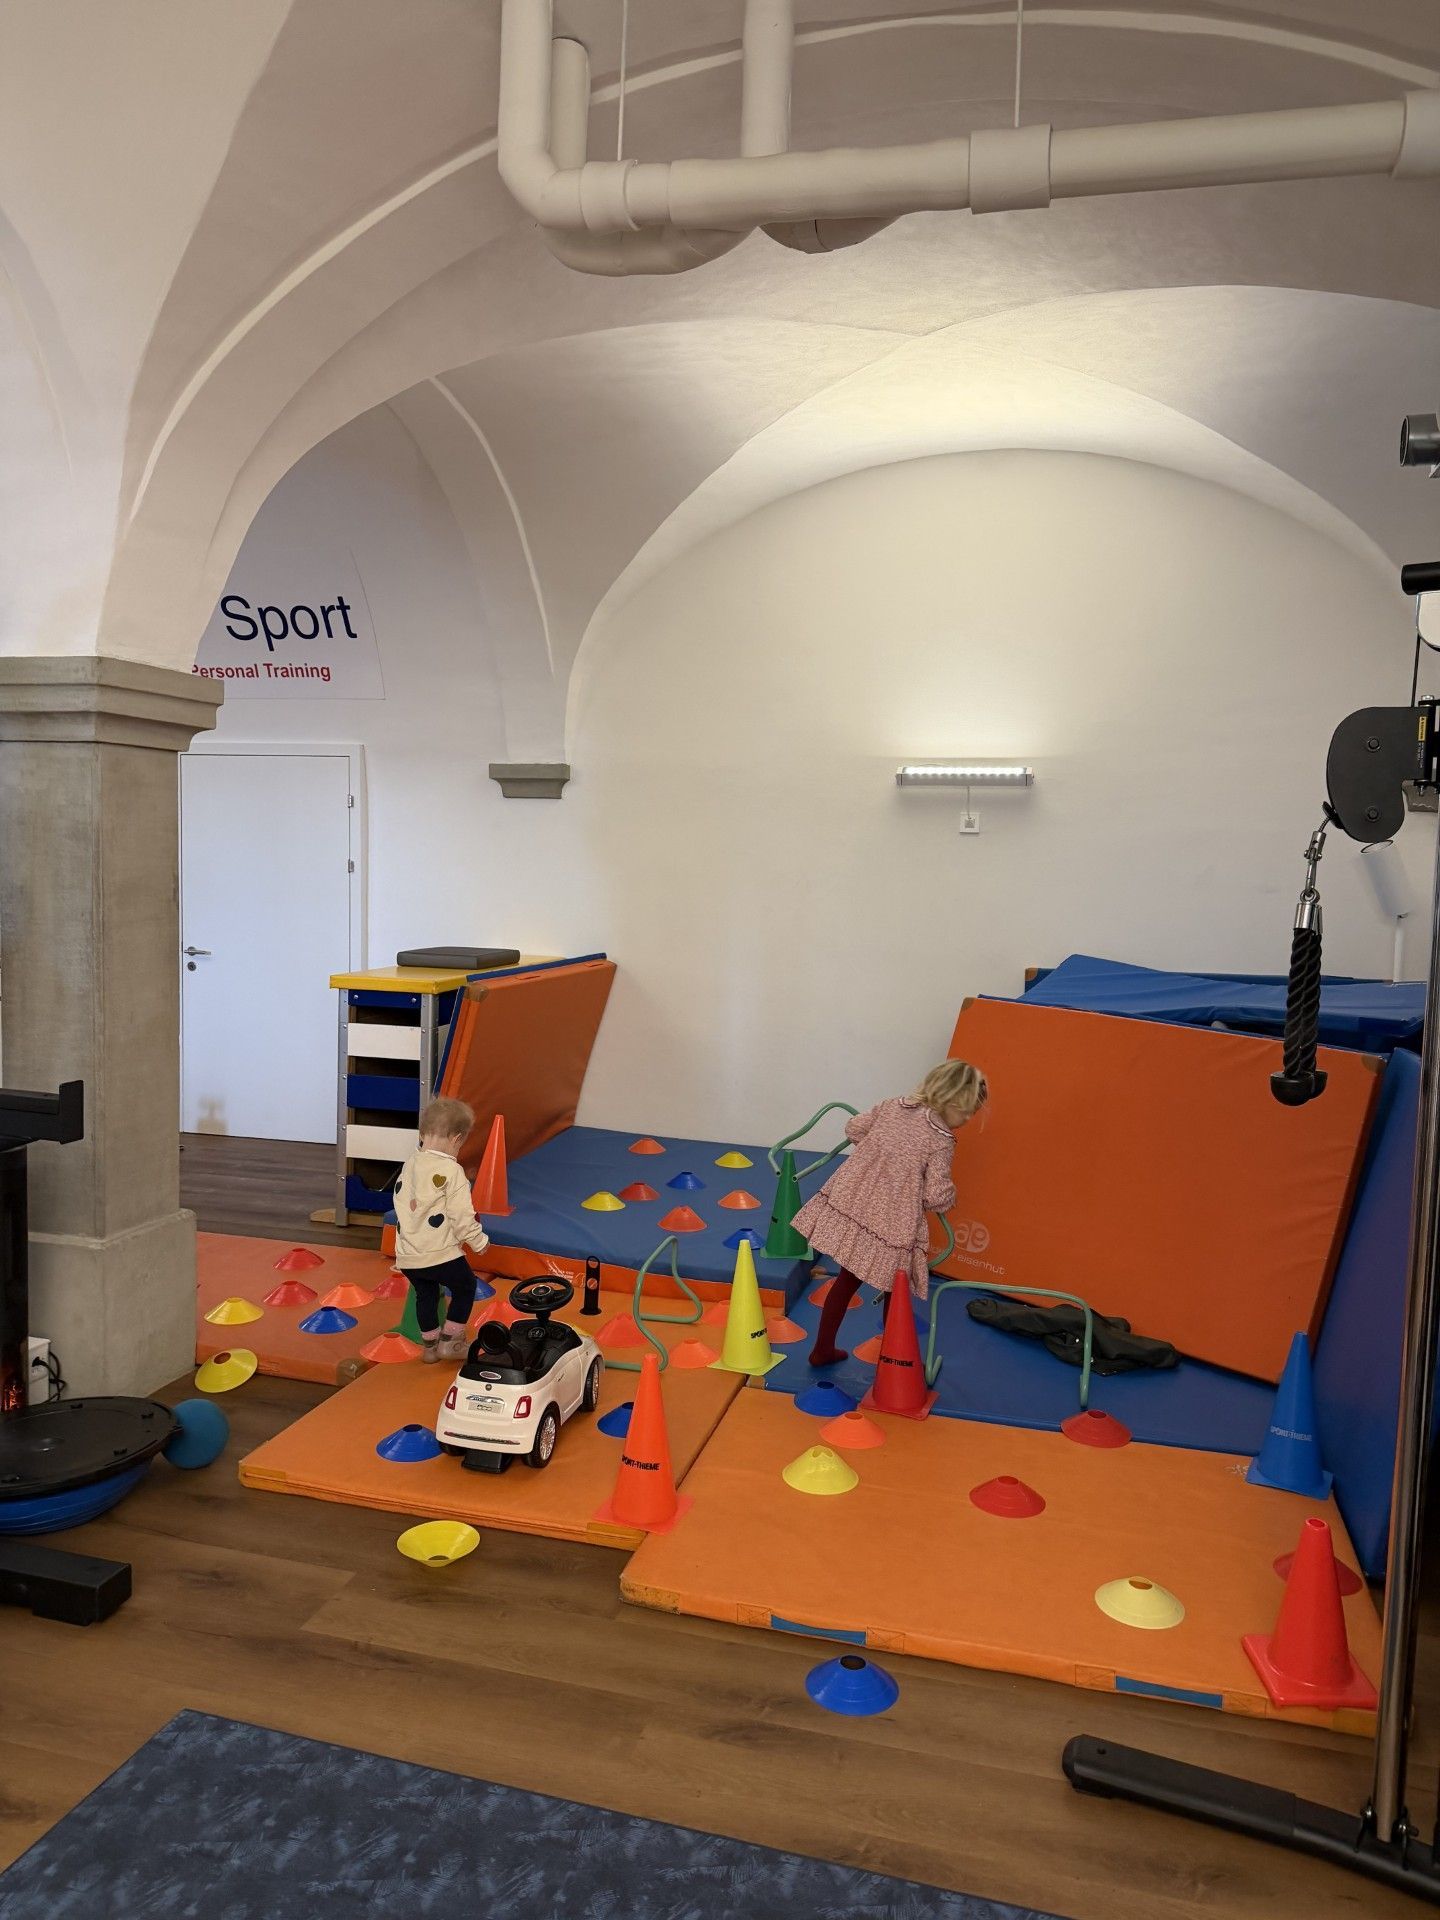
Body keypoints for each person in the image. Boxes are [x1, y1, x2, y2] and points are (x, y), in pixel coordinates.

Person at [795, 1060, 988, 1368]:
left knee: (846, 1281)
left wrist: (880, 1153)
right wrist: (951, 1196)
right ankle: (893, 1365)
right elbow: (936, 1196)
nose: (966, 1120)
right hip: (892, 1223)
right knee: (895, 1290)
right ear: (949, 1101)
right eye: (965, 1112)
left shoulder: (893, 1106)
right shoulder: (940, 1139)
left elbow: (854, 1128)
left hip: (855, 1204)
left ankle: (822, 1348)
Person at [394, 1096, 491, 1361]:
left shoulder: (411, 1163)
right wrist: (479, 1241)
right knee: (465, 1286)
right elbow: (461, 1216)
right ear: (457, 1139)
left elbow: (405, 1205)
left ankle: (430, 1347)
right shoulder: (452, 1171)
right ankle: (451, 1341)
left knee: (425, 1294)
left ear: (422, 1133)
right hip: (439, 1253)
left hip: (408, 1255)